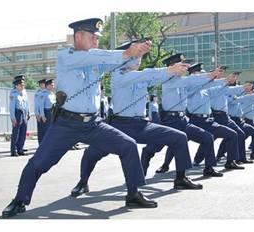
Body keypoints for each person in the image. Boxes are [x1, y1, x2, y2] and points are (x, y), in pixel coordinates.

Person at [2, 18, 155, 218]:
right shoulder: (66, 55)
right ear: (78, 36)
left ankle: (134, 193)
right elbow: (102, 56)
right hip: (67, 124)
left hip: (93, 124)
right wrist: (127, 52)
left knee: (128, 145)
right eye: (92, 37)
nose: (96, 41)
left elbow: (119, 64)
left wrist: (137, 53)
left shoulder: (94, 62)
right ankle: (19, 200)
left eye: (97, 38)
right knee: (39, 163)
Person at [72, 47, 205, 200]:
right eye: (136, 56)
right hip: (120, 125)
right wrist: (169, 70)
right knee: (91, 152)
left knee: (179, 137)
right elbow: (148, 75)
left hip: (141, 125)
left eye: (140, 57)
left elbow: (161, 78)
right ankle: (83, 182)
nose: (138, 60)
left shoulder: (142, 76)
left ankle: (180, 179)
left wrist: (175, 71)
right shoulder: (119, 74)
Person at [142, 56, 224, 177]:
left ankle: (207, 168)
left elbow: (201, 85)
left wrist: (220, 79)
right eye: (182, 66)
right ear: (172, 67)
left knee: (207, 138)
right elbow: (192, 81)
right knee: (154, 147)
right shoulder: (169, 80)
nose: (185, 68)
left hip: (182, 120)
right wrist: (210, 74)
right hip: (169, 120)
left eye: (185, 66)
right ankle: (142, 165)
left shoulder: (183, 80)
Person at [9, 75, 30, 157]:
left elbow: (27, 103)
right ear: (17, 85)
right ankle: (13, 150)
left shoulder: (24, 92)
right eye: (21, 85)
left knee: (23, 132)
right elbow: (11, 107)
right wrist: (13, 117)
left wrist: (28, 112)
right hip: (17, 113)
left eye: (23, 85)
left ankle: (20, 149)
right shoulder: (13, 94)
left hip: (24, 112)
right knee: (16, 132)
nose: (23, 86)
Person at [34, 79, 46, 144]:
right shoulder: (38, 93)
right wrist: (37, 114)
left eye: (44, 84)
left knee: (46, 130)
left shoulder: (47, 92)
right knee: (41, 130)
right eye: (42, 84)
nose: (43, 85)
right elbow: (36, 104)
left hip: (47, 113)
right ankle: (40, 143)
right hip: (40, 114)